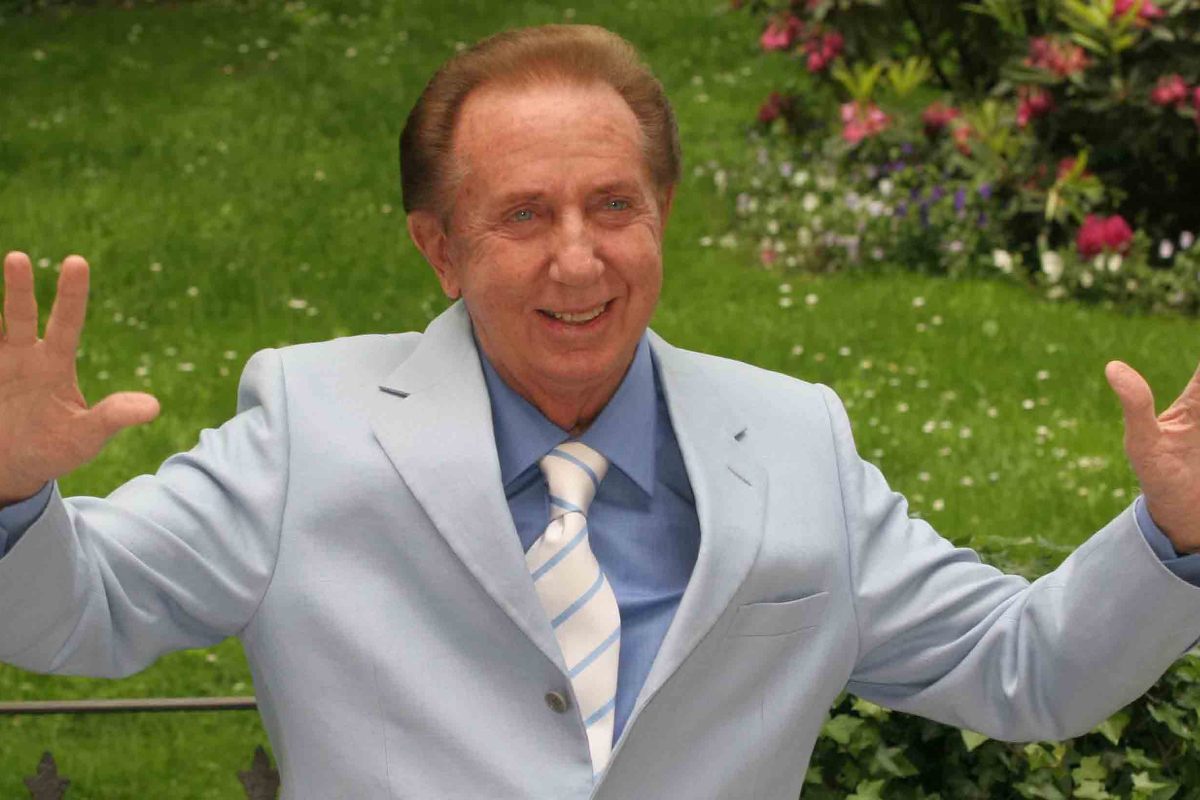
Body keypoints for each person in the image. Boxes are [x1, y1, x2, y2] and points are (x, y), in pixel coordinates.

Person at [1, 23, 1198, 799]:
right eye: (524, 215)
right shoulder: (310, 424)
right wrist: (12, 490)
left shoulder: (796, 439)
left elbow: (1024, 667)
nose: (579, 260)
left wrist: (1175, 535)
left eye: (614, 206)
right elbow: (79, 613)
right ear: (440, 248)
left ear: (662, 214)